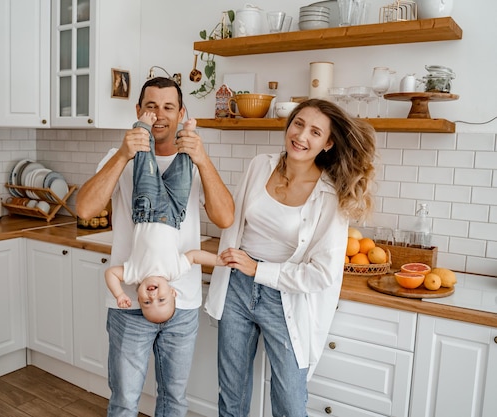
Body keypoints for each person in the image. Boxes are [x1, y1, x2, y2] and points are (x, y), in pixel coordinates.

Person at [205, 98, 377, 417]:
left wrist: (258, 269)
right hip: (237, 289)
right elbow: (234, 221)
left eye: (315, 131)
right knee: (231, 394)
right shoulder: (260, 165)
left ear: (328, 143)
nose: (301, 136)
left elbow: (321, 273)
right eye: (298, 124)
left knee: (289, 402)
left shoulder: (328, 195)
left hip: (286, 300)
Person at [76, 76, 234, 417]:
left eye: (168, 107)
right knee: (124, 400)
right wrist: (123, 154)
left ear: (181, 113)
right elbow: (86, 209)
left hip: (182, 303)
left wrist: (204, 160)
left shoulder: (194, 160)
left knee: (174, 400)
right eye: (151, 106)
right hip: (130, 304)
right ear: (138, 111)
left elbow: (225, 218)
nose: (159, 115)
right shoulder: (117, 156)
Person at [104, 111, 224, 324]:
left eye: (147, 302)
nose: (152, 296)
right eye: (161, 299)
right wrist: (217, 261)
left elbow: (111, 274)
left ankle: (143, 127)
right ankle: (188, 133)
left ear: (138, 298)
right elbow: (195, 256)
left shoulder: (134, 274)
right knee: (184, 169)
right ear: (173, 292)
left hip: (146, 208)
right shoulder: (174, 272)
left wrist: (120, 294)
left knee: (144, 163)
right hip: (176, 212)